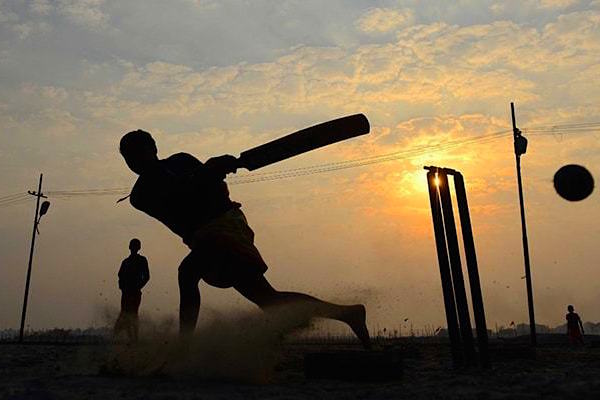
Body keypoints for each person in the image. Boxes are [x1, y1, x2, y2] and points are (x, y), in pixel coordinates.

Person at [118, 129, 370, 348]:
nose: (135, 160)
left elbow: (212, 191)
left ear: (153, 149)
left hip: (226, 226)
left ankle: (184, 345)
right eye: (129, 157)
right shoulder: (140, 196)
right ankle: (347, 313)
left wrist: (216, 173)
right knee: (269, 300)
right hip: (204, 238)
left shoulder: (181, 160)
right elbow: (178, 197)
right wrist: (208, 171)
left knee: (187, 271)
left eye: (138, 152)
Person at [114, 238, 150, 342]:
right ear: (130, 247)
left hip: (135, 292)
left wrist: (138, 287)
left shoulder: (142, 260)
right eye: (132, 246)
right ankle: (129, 337)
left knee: (133, 313)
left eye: (135, 246)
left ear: (138, 248)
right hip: (126, 292)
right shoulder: (125, 262)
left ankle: (135, 338)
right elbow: (120, 276)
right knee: (125, 313)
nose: (134, 248)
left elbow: (147, 276)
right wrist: (122, 287)